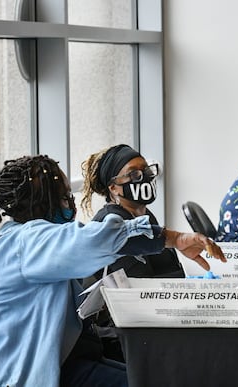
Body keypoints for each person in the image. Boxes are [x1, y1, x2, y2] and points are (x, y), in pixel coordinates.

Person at [0, 155, 226, 387]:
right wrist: (175, 239)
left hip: (61, 362)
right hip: (41, 374)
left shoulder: (16, 240)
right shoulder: (27, 242)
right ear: (41, 201)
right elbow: (96, 240)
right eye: (63, 195)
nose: (69, 202)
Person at [80, 144, 185, 361]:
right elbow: (137, 290)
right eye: (134, 174)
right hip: (124, 337)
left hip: (157, 323)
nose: (144, 178)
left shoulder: (146, 218)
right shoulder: (109, 224)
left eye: (147, 171)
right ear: (114, 188)